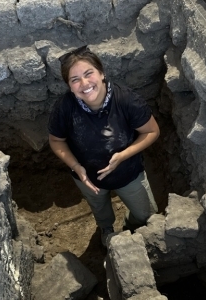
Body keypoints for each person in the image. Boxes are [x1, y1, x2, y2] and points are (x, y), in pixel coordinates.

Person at [48, 45, 159, 247]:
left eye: (89, 73)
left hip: (128, 173)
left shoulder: (127, 101)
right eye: (75, 80)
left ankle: (130, 227)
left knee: (146, 215)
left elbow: (152, 131)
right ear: (70, 87)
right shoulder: (65, 107)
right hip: (88, 178)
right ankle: (106, 229)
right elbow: (56, 141)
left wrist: (123, 156)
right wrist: (77, 167)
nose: (84, 83)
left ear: (101, 73)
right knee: (100, 210)